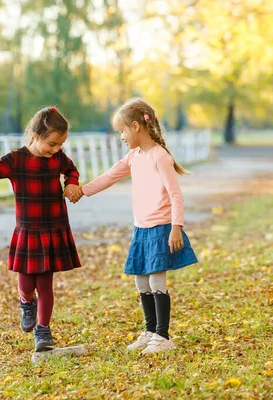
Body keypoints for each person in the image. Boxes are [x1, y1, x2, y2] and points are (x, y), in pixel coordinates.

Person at [73, 98, 198, 354]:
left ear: (136, 126)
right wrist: (82, 191)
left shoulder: (159, 157)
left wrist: (177, 226)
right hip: (141, 228)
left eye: (122, 131)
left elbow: (176, 195)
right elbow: (109, 176)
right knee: (141, 282)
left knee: (155, 279)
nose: (121, 137)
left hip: (161, 227)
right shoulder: (134, 156)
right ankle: (150, 331)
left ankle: (163, 336)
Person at [0, 107, 83, 352]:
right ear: (36, 135)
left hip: (52, 228)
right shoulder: (17, 159)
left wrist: (71, 183)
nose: (56, 149)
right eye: (52, 144)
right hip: (28, 230)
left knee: (46, 283)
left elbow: (71, 170)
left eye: (60, 144)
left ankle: (43, 330)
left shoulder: (58, 158)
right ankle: (27, 302)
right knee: (27, 283)